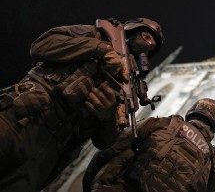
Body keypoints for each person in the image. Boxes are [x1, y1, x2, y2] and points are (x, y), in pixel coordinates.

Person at [0, 18, 164, 191]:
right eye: (146, 36)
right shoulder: (98, 35)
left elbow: (105, 142)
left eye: (153, 44)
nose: (150, 43)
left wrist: (106, 116)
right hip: (22, 117)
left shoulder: (131, 85)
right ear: (132, 30)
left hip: (49, 154)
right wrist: (100, 49)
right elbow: (41, 45)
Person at [83, 98, 215, 192]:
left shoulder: (165, 123)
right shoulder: (212, 161)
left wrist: (89, 182)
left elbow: (111, 149)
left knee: (127, 150)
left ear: (192, 112)